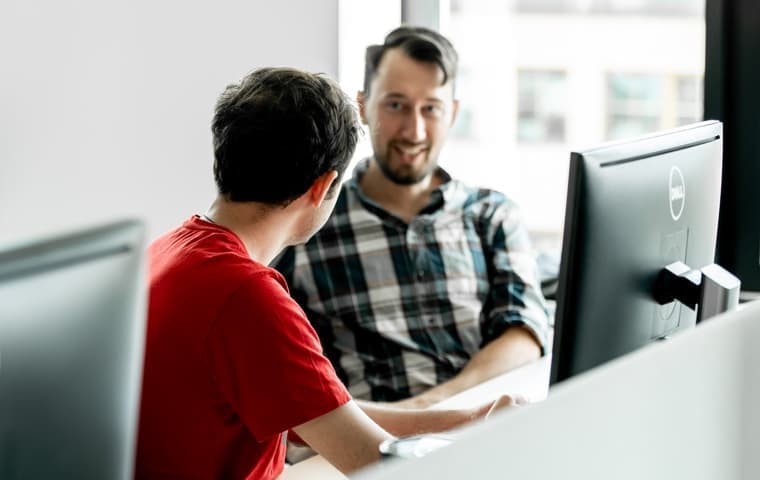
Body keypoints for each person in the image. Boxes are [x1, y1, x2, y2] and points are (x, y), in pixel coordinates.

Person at [135, 67, 516, 480]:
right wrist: (497, 446)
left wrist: (470, 420)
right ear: (322, 187)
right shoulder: (248, 296)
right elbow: (379, 465)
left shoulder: (170, 251)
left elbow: (318, 414)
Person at [274, 26, 550, 409]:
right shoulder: (311, 224)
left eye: (431, 109)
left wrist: (433, 409)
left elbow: (525, 336)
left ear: (452, 113)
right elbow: (285, 376)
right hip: (378, 453)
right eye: (396, 105)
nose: (414, 130)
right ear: (363, 107)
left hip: (488, 428)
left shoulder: (492, 215)